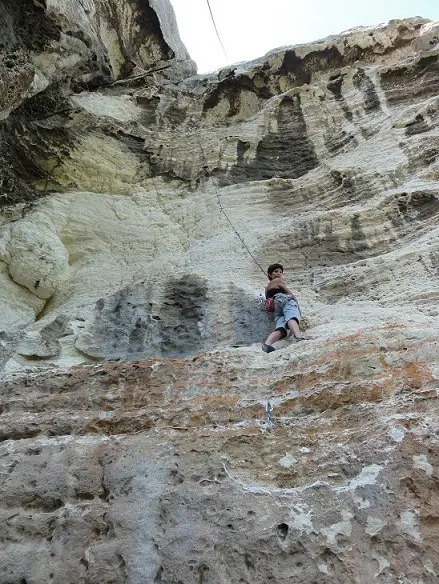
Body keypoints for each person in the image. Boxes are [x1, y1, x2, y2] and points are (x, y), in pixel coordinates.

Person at [262, 263, 302, 353]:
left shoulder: (267, 288)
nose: (279, 274)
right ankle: (299, 338)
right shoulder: (278, 281)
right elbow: (289, 293)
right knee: (292, 317)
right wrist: (297, 306)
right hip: (284, 300)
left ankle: (267, 344)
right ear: (270, 274)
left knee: (281, 328)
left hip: (276, 306)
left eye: (280, 272)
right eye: (276, 271)